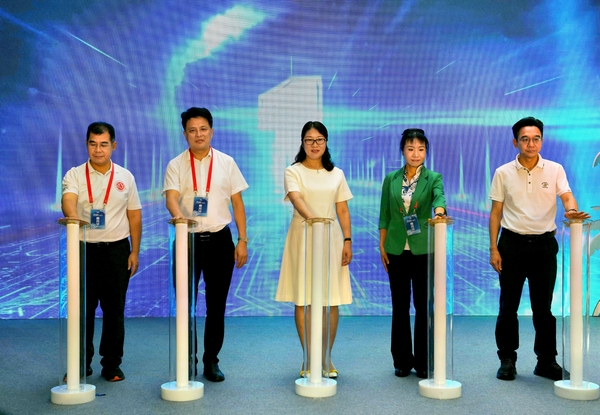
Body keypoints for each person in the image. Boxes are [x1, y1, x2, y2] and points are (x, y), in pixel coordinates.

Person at [489, 116, 590, 381]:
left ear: (542, 141)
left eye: (536, 139)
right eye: (525, 139)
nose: (531, 144)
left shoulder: (555, 169)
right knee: (508, 307)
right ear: (515, 142)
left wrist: (571, 210)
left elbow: (566, 196)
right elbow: (496, 212)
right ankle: (507, 360)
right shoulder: (503, 172)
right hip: (511, 245)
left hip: (544, 246)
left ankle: (546, 361)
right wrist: (493, 249)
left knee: (543, 309)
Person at [163, 107, 248, 382]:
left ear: (211, 131)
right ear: (185, 134)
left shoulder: (227, 162)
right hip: (187, 240)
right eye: (192, 130)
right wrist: (180, 218)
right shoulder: (176, 164)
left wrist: (242, 240)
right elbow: (171, 197)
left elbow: (237, 204)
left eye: (203, 129)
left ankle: (211, 361)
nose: (198, 134)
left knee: (216, 306)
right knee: (185, 305)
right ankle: (187, 360)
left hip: (220, 240)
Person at [61, 122, 142, 382]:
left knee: (114, 311)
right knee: (81, 311)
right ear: (86, 145)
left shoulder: (125, 177)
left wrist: (135, 251)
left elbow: (134, 216)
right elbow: (68, 201)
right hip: (83, 250)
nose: (98, 150)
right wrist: (73, 218)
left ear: (113, 146)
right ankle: (79, 364)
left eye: (104, 144)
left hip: (117, 250)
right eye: (93, 144)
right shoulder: (74, 175)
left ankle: (111, 365)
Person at [275, 121, 353, 379]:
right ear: (302, 143)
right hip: (303, 236)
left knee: (331, 298)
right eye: (309, 140)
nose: (314, 144)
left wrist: (347, 240)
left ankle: (326, 357)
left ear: (326, 142)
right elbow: (296, 199)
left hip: (331, 238)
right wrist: (315, 221)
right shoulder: (293, 171)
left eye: (319, 139)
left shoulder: (337, 174)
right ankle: (309, 357)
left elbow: (342, 209)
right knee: (304, 297)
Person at [378, 128, 446, 379]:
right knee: (400, 305)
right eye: (410, 149)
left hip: (423, 249)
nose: (416, 154)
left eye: (421, 149)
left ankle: (424, 360)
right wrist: (382, 245)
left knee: (424, 305)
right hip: (396, 249)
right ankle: (402, 360)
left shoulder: (433, 178)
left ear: (426, 151)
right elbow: (384, 215)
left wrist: (439, 213)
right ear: (402, 151)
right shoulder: (391, 179)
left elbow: (439, 198)